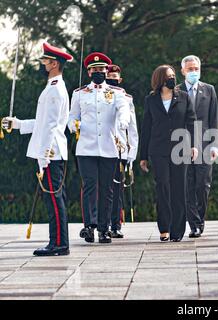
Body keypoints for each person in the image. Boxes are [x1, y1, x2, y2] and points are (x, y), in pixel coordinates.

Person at [1, 42, 72, 256]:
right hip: (48, 151)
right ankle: (57, 242)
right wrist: (18, 124)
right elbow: (42, 123)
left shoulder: (55, 90)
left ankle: (59, 243)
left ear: (54, 64)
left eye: (46, 61)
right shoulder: (52, 87)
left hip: (49, 153)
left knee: (53, 197)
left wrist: (44, 158)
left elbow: (51, 126)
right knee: (52, 198)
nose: (43, 65)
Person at [68, 52, 130, 244]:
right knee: (89, 186)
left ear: (106, 71)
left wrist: (123, 121)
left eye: (101, 69)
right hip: (86, 147)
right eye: (94, 70)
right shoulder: (79, 93)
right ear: (88, 72)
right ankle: (89, 226)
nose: (98, 72)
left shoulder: (116, 93)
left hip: (109, 147)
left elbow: (123, 110)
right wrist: (73, 126)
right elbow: (72, 117)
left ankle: (104, 229)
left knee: (107, 189)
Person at [139, 65, 198, 242]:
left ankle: (177, 230)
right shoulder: (151, 100)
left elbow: (191, 123)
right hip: (158, 150)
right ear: (160, 80)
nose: (172, 79)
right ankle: (164, 227)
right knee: (163, 187)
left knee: (179, 189)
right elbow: (146, 128)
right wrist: (143, 156)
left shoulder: (184, 98)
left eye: (173, 75)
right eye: (168, 76)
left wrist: (194, 146)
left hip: (180, 149)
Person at [178, 55, 218, 238]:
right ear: (183, 71)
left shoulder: (209, 90)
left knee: (203, 185)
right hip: (181, 143)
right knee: (187, 185)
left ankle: (200, 219)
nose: (193, 72)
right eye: (190, 69)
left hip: (204, 142)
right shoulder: (176, 91)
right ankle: (193, 224)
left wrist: (214, 145)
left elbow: (214, 119)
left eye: (196, 69)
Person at [106, 64, 139, 238]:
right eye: (109, 75)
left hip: (120, 149)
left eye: (115, 76)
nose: (112, 78)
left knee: (117, 189)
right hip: (102, 148)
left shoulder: (127, 98)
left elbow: (132, 129)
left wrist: (131, 154)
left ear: (120, 79)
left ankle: (115, 225)